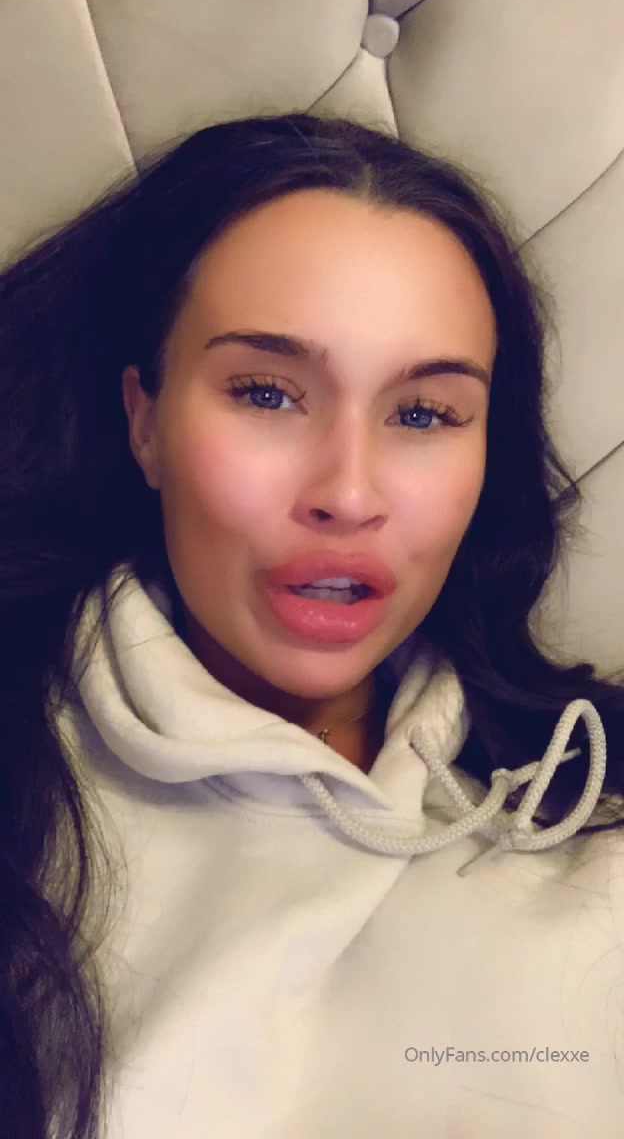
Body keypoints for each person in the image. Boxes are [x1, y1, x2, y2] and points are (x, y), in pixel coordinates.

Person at [1, 112, 623, 1139]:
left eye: (423, 413)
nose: (348, 493)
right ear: (145, 422)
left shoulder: (583, 816)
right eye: (267, 393)